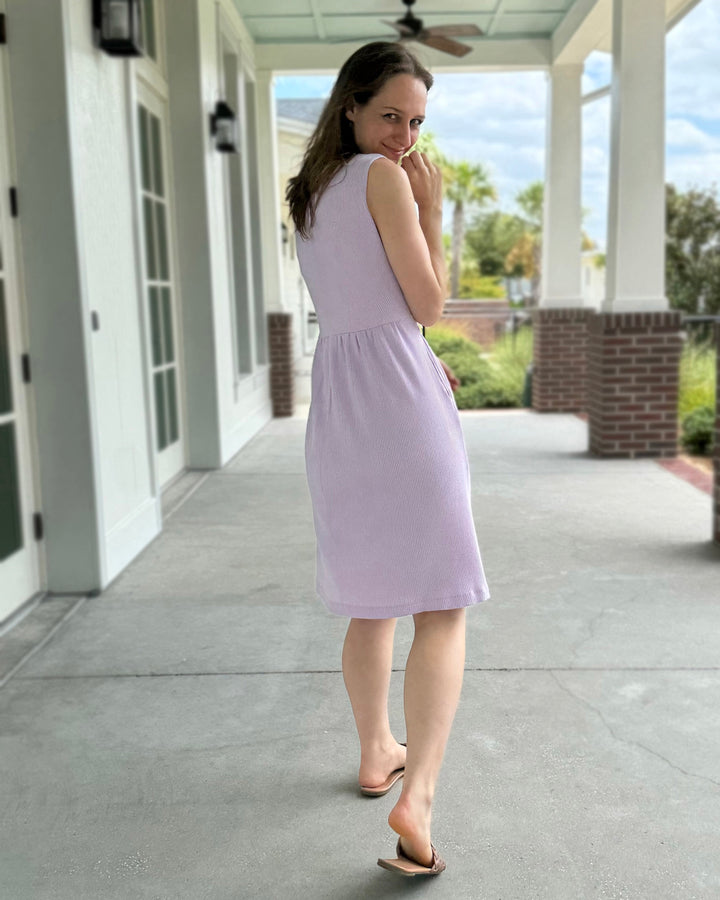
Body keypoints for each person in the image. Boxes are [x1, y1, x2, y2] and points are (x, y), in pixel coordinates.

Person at [287, 41, 490, 878]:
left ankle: (378, 752)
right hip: (399, 405)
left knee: (371, 600)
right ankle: (421, 796)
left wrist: (412, 351)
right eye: (390, 116)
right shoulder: (384, 179)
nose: (404, 137)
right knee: (442, 604)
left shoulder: (310, 190)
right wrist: (431, 211)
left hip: (341, 400)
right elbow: (428, 302)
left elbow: (362, 305)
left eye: (415, 122)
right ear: (351, 108)